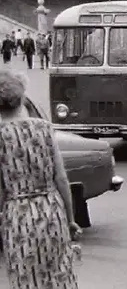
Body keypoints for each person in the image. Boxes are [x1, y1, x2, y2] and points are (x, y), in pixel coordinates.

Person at [0, 69, 82, 288]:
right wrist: (70, 219)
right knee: (59, 275)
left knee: (25, 278)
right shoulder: (44, 128)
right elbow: (61, 178)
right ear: (22, 98)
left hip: (17, 216)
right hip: (51, 209)